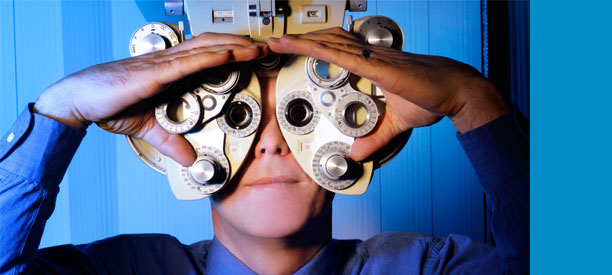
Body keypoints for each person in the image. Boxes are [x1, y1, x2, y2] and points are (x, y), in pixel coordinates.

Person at [0, 28, 529, 274]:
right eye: (239, 117)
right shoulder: (124, 272)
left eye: (298, 116)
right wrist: (60, 108)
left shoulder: (427, 270)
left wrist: (473, 100)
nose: (272, 139)